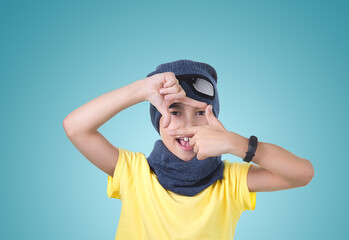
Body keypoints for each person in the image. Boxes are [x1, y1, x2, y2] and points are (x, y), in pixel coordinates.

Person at [63, 59, 314, 240]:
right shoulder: (134, 173)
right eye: (174, 111)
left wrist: (234, 143)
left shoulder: (230, 182)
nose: (189, 125)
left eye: (200, 113)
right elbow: (75, 127)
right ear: (157, 118)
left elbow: (302, 173)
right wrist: (141, 90)